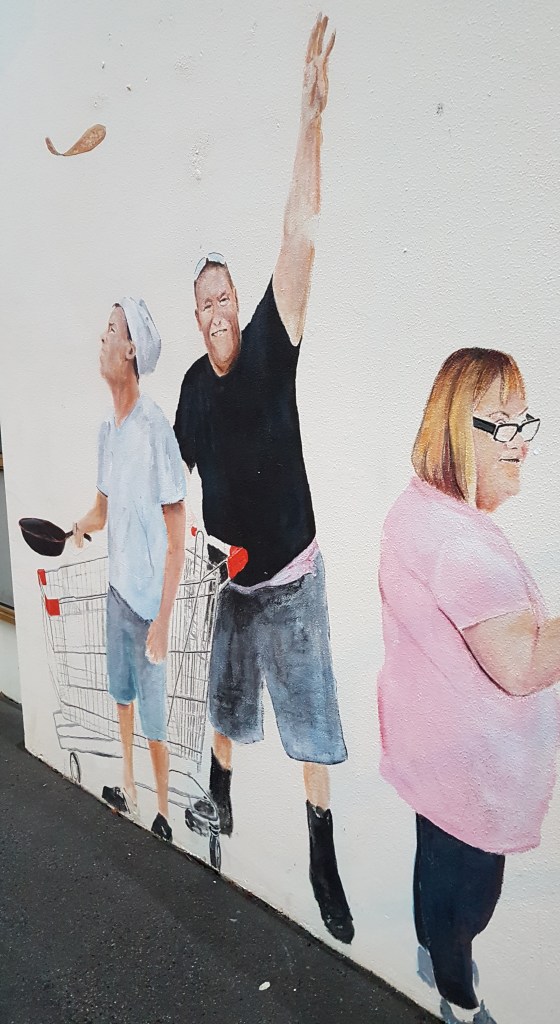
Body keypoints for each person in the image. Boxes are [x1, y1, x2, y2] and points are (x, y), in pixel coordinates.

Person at [377, 348, 560, 1024]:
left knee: (435, 867)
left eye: (522, 423)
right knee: (472, 897)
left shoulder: (416, 511)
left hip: (430, 756)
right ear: (454, 429)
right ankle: (459, 1000)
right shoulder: (462, 545)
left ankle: (435, 958)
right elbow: (521, 667)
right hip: (472, 774)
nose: (521, 445)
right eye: (500, 425)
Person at [173, 15, 353, 943]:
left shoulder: (275, 344)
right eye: (201, 299)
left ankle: (322, 856)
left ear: (241, 301)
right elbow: (179, 475)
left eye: (224, 293)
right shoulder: (192, 392)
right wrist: (189, 569)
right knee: (222, 709)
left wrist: (310, 116)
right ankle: (221, 805)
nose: (216, 308)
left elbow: (299, 233)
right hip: (232, 584)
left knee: (313, 729)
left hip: (291, 578)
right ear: (194, 314)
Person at [73, 298, 186, 842]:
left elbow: (177, 531)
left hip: (147, 604)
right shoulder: (107, 434)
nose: (102, 336)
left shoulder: (154, 428)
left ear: (131, 348)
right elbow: (103, 508)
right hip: (117, 595)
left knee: (156, 717)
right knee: (121, 697)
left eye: (111, 329)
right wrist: (77, 526)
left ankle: (163, 811)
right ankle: (128, 786)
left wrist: (164, 618)